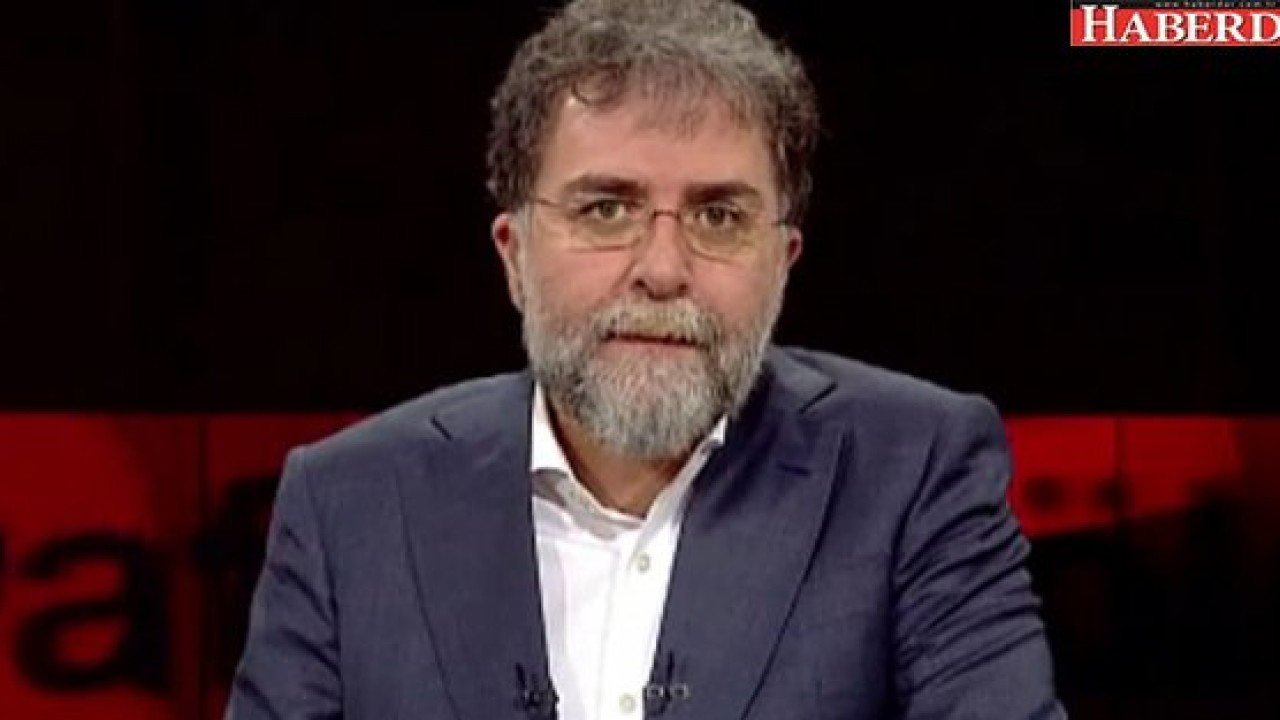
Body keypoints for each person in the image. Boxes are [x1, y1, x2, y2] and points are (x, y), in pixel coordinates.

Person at [227, 0, 1065, 718]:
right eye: (606, 208)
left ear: (784, 261)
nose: (663, 268)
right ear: (514, 254)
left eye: (719, 217)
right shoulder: (349, 506)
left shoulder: (912, 473)